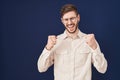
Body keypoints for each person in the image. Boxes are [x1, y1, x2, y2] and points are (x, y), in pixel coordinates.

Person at [37, 4, 107, 80]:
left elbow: (102, 69)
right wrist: (48, 48)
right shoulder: (55, 42)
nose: (69, 22)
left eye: (72, 18)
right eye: (66, 19)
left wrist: (94, 47)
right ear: (62, 21)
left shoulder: (90, 40)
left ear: (78, 18)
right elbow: (41, 68)